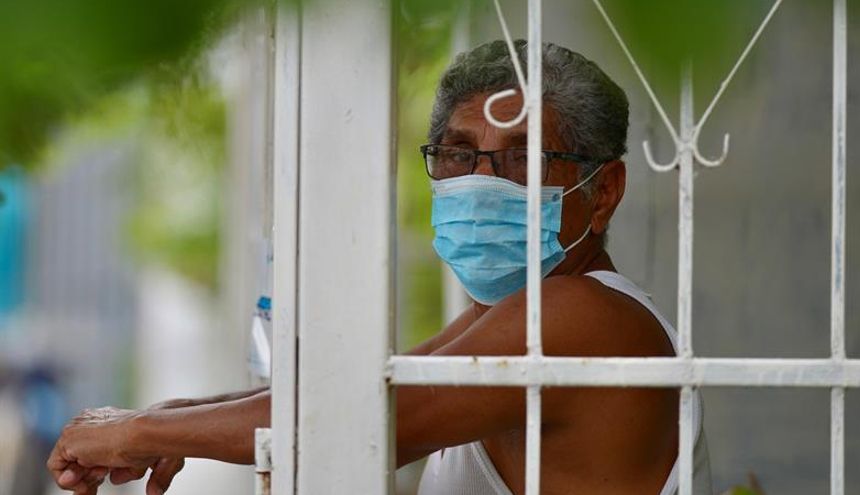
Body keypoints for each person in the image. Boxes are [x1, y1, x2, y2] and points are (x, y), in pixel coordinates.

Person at [47, 40, 712, 495]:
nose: (484, 182)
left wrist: (138, 431)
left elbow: (355, 422)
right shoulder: (504, 323)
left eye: (524, 157)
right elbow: (362, 393)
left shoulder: (583, 316)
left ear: (606, 190)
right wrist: (179, 414)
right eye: (458, 153)